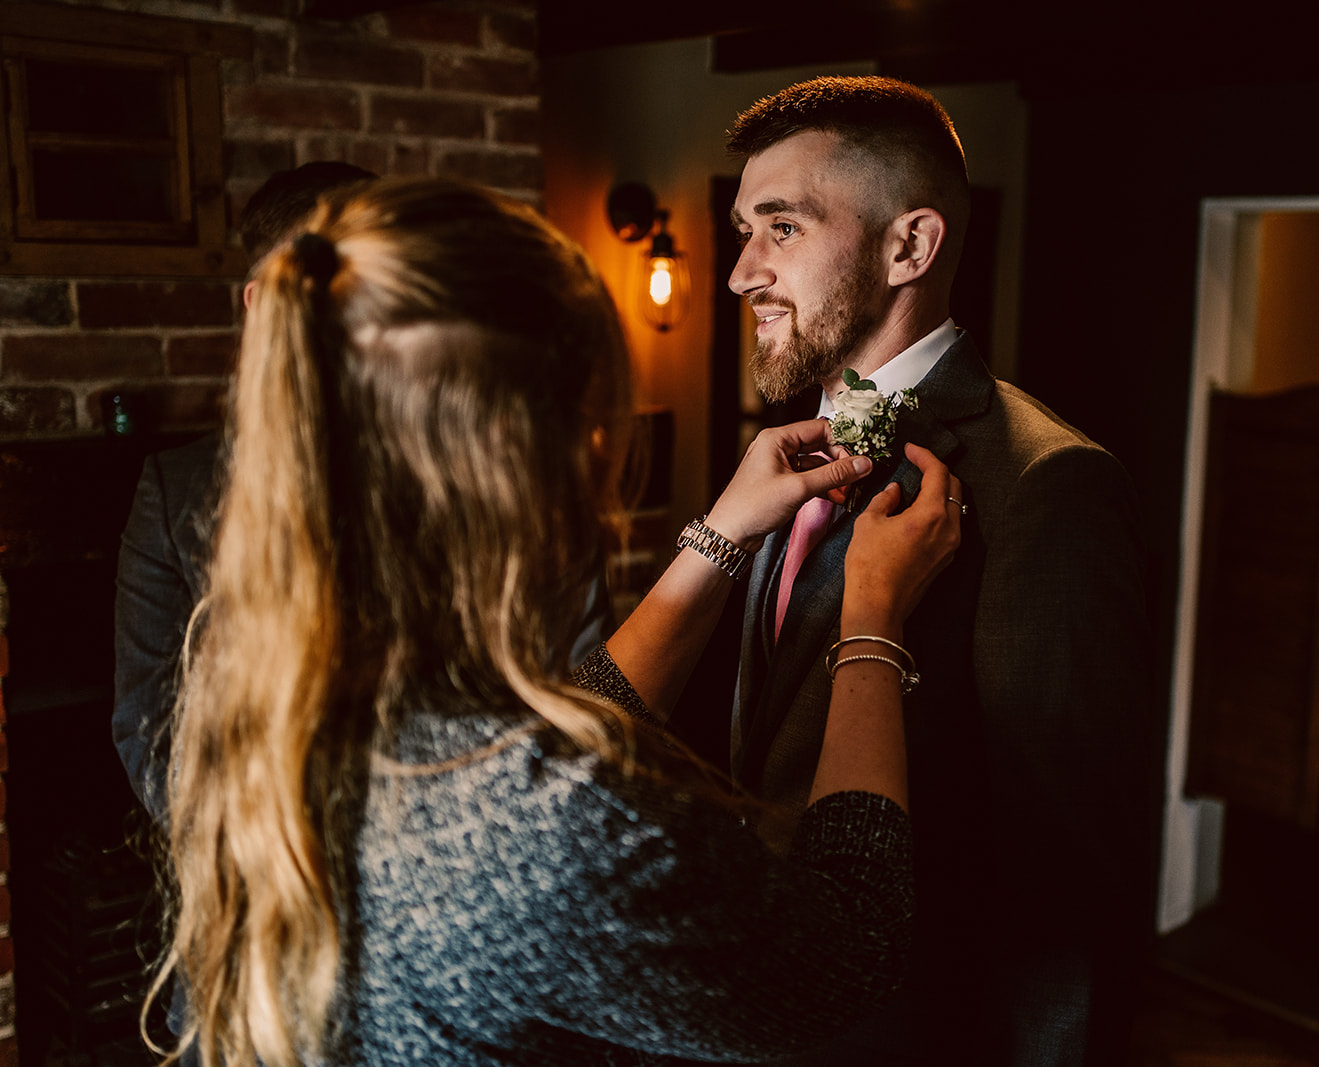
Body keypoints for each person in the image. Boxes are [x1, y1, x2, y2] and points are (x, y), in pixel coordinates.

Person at [152, 175, 963, 1067]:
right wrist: (871, 619)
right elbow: (847, 952)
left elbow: (543, 740)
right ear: (537, 453)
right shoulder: (549, 826)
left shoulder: (266, 702)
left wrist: (721, 534)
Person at [681, 76, 1158, 1065]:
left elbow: (1061, 884)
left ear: (910, 246)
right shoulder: (772, 465)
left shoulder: (1048, 485)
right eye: (744, 231)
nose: (739, 273)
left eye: (781, 229)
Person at [114, 161, 378, 821]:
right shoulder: (176, 493)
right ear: (262, 302)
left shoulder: (470, 471)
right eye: (340, 281)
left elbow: (575, 707)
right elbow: (152, 742)